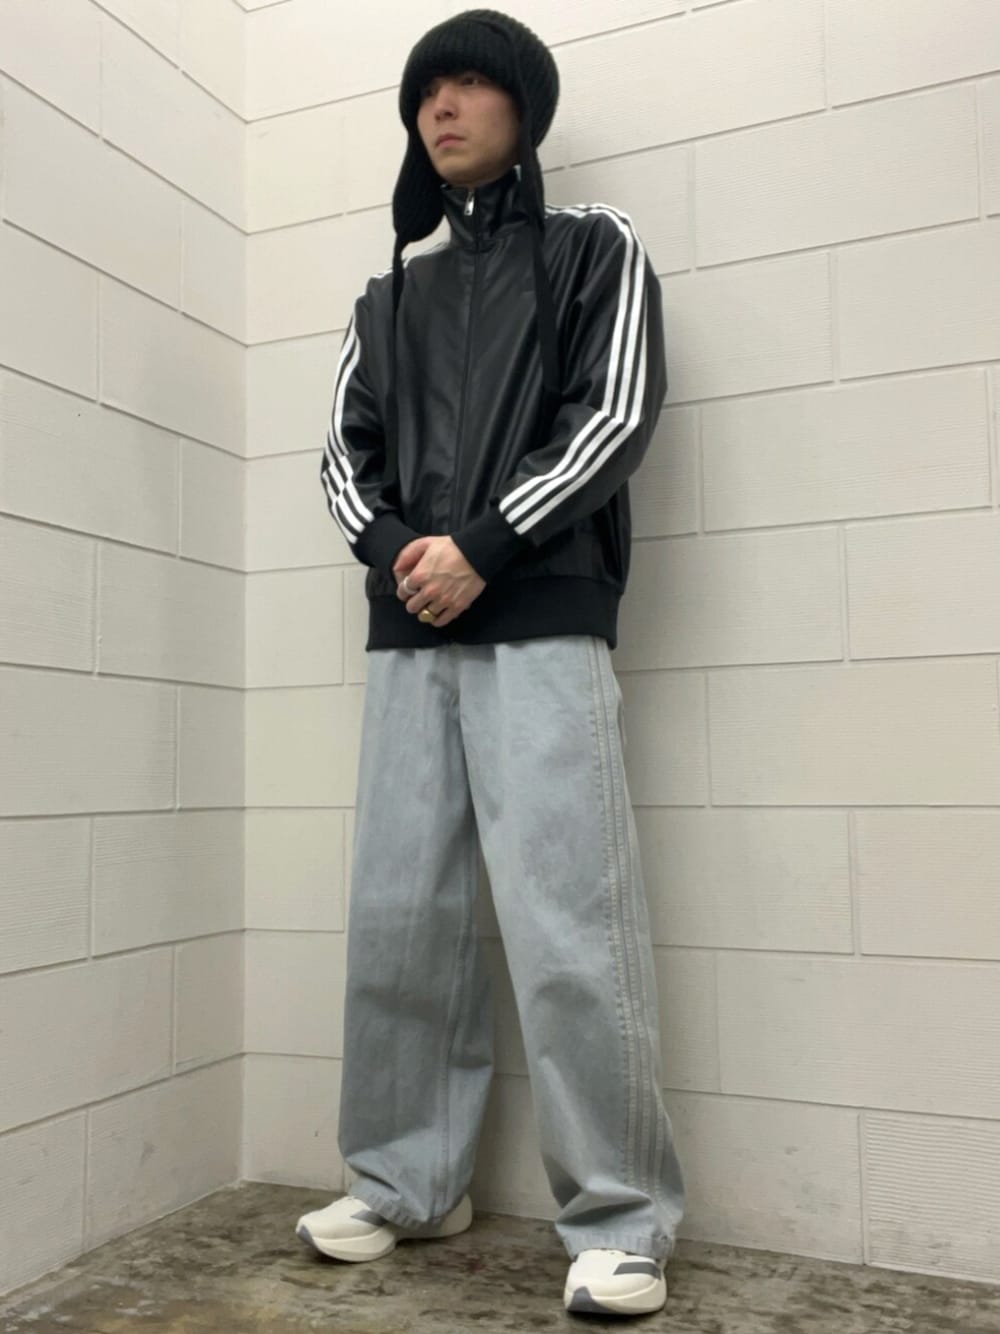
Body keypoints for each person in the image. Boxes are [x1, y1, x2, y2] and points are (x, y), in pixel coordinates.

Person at [297, 9, 685, 1318]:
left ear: (525, 106)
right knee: (399, 916)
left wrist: (485, 543)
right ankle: (408, 1184)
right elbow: (342, 457)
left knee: (570, 915)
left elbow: (615, 412)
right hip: (414, 628)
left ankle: (622, 1217)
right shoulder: (390, 296)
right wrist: (407, 554)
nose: (443, 108)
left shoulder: (594, 246)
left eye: (470, 83)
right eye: (427, 91)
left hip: (542, 618)